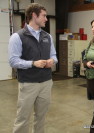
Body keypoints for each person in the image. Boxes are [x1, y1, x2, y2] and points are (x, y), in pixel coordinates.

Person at [8, 3, 58, 133]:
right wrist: (32, 63)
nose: (46, 19)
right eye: (44, 16)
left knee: (41, 117)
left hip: (46, 82)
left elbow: (54, 55)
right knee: (23, 118)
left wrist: (52, 61)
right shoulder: (17, 37)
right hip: (28, 84)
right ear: (34, 16)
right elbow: (13, 61)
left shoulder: (48, 36)